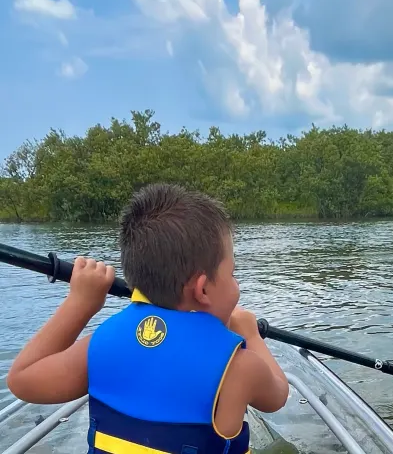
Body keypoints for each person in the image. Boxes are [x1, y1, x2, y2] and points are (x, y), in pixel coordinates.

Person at [7, 183, 289, 454]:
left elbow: (22, 379)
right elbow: (278, 395)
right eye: (232, 274)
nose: (235, 283)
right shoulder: (241, 367)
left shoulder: (102, 344)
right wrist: (250, 334)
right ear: (203, 289)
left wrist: (80, 303)